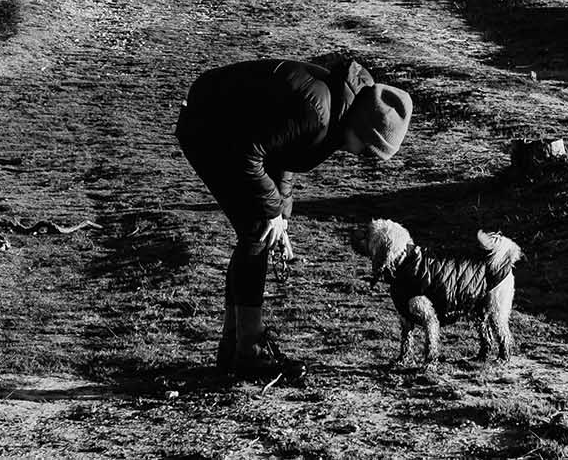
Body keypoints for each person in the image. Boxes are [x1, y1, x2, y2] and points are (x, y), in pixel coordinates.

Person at [176, 56, 413, 381]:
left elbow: (283, 150)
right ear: (362, 126)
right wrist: (271, 211)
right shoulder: (318, 112)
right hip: (209, 126)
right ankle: (247, 351)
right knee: (257, 230)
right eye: (369, 149)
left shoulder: (334, 114)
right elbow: (249, 150)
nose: (361, 157)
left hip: (232, 133)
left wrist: (281, 214)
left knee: (258, 230)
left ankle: (236, 347)